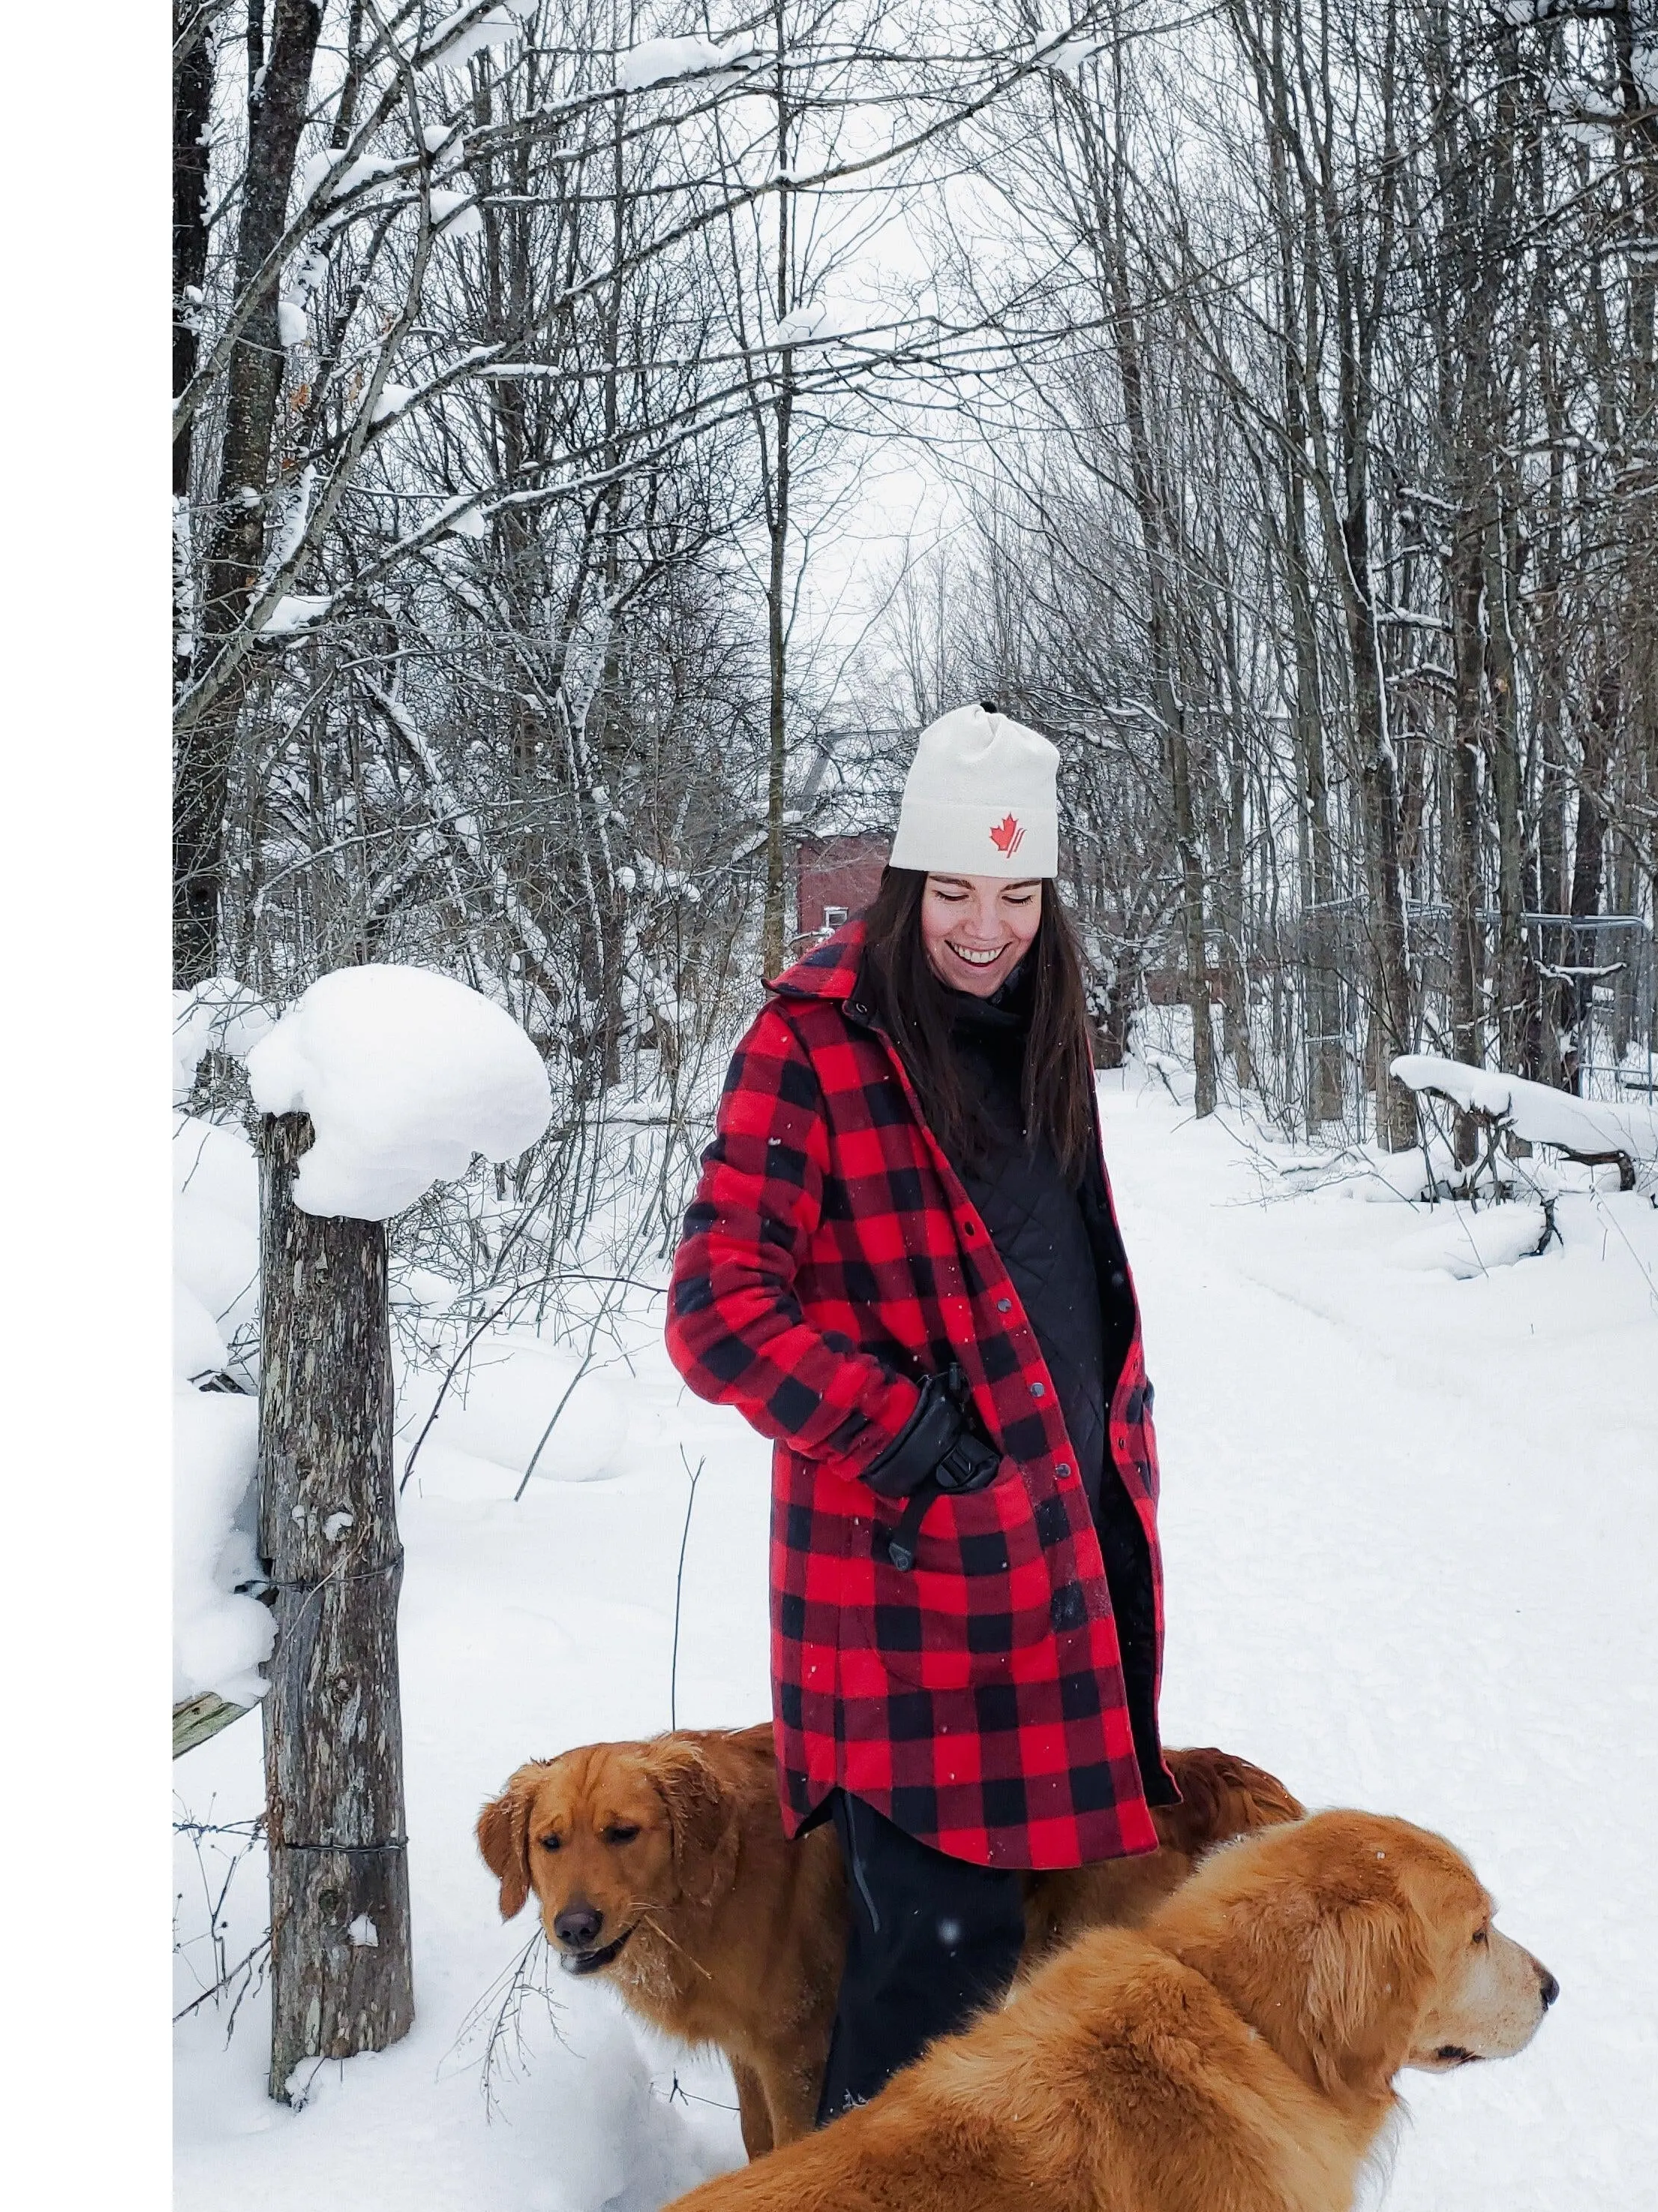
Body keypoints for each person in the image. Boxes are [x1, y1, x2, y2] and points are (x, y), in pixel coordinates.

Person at [665, 702, 1175, 2125]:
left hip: (1058, 1570)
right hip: (907, 1606)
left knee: (989, 1970)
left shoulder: (1044, 1025)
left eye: (1019, 895)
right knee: (927, 1997)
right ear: (904, 885)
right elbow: (715, 1309)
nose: (984, 928)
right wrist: (916, 1441)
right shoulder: (815, 1042)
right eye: (954, 890)